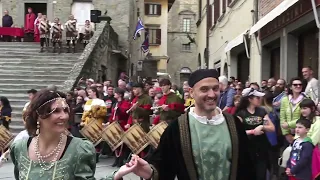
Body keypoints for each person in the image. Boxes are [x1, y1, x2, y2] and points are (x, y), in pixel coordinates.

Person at [109, 69, 255, 180]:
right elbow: (163, 165)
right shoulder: (178, 128)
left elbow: (247, 166)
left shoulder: (233, 124)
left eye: (215, 89)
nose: (211, 94)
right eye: (204, 89)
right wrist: (149, 170)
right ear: (191, 92)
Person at [10, 90, 96, 179]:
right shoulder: (19, 148)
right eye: (56, 111)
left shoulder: (80, 150)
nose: (64, 116)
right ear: (38, 115)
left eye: (66, 110)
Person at [235, 88, 275, 180]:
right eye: (257, 98)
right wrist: (253, 131)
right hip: (247, 148)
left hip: (262, 147)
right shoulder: (241, 113)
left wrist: (263, 127)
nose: (260, 99)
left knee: (261, 174)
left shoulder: (261, 111)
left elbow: (272, 128)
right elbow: (237, 132)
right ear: (250, 99)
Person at [105, 88, 131, 167]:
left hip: (121, 124)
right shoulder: (115, 103)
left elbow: (125, 113)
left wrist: (119, 109)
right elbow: (113, 114)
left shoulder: (126, 103)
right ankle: (116, 160)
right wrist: (109, 122)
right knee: (115, 143)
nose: (114, 94)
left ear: (119, 94)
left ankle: (120, 160)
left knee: (121, 143)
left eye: (115, 93)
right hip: (115, 124)